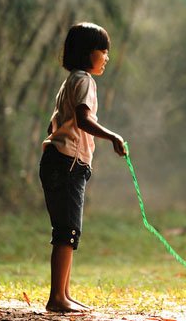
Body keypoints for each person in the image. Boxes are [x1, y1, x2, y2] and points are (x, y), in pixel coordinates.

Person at [39, 22, 127, 313]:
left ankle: (63, 293)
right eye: (103, 51)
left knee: (68, 230)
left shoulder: (71, 81)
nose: (106, 57)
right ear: (88, 53)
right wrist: (112, 136)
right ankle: (57, 298)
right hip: (67, 163)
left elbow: (57, 123)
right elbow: (82, 120)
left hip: (58, 160)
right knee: (67, 231)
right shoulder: (85, 81)